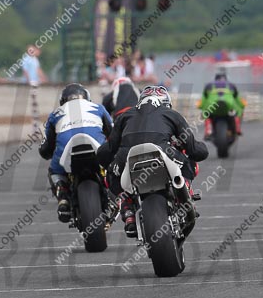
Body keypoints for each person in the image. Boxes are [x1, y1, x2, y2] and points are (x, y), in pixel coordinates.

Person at [96, 85, 209, 237]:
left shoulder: (125, 115)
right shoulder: (171, 114)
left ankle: (128, 211)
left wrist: (106, 162)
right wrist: (200, 148)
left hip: (126, 154)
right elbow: (195, 150)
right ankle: (185, 193)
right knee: (191, 164)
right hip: (163, 150)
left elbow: (108, 149)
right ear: (166, 102)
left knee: (111, 175)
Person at [38, 84, 113, 223]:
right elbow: (113, 133)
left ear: (63, 101)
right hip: (97, 149)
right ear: (87, 98)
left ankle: (63, 197)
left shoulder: (55, 114)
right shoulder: (98, 108)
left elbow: (47, 147)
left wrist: (45, 152)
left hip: (67, 150)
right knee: (113, 164)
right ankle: (114, 192)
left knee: (55, 171)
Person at [201, 71, 244, 138]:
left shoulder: (208, 85)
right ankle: (237, 129)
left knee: (206, 114)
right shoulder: (231, 85)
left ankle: (208, 130)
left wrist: (201, 108)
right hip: (229, 106)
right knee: (238, 112)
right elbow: (237, 99)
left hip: (212, 106)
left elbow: (203, 100)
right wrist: (241, 106)